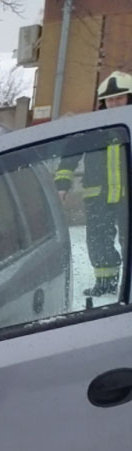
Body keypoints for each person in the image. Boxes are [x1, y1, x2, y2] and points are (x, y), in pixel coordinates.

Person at [54, 70, 131, 296]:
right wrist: (62, 185)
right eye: (110, 99)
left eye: (120, 98)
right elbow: (69, 157)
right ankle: (105, 283)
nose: (114, 103)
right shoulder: (92, 128)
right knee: (98, 241)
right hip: (99, 197)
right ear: (103, 101)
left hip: (128, 197)